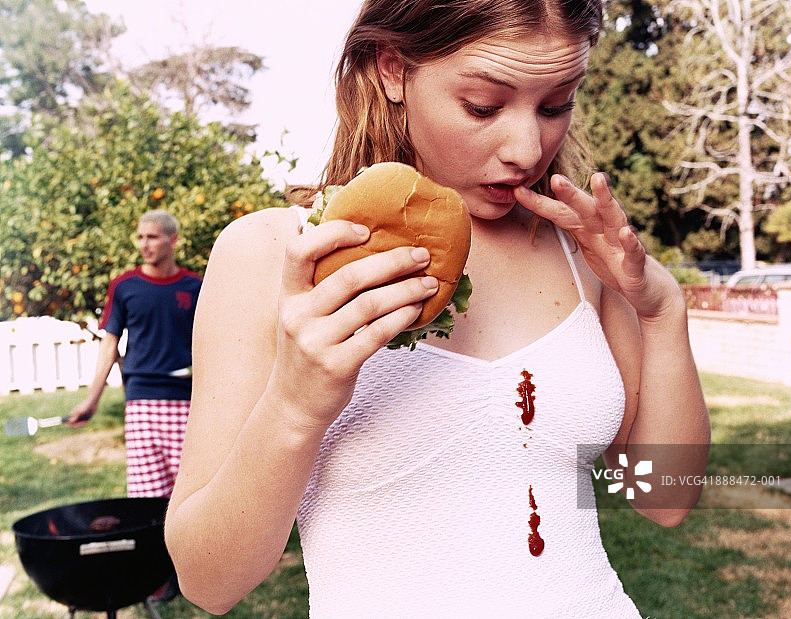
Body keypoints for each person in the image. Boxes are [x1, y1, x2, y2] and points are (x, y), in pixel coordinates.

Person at [165, 1, 710, 616]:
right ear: (393, 69)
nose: (527, 149)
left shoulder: (582, 254)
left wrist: (662, 312)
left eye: (556, 104)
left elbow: (663, 498)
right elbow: (208, 583)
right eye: (483, 105)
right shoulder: (273, 253)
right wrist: (295, 404)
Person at [67, 209, 202, 500]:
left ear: (173, 240)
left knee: (188, 498)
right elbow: (109, 343)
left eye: (152, 237)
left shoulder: (195, 287)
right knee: (146, 499)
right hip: (140, 400)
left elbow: (211, 343)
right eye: (140, 237)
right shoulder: (125, 286)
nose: (144, 244)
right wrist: (92, 400)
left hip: (186, 402)